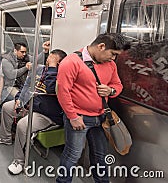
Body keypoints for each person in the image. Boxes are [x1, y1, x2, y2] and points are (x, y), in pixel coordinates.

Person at [56, 33, 130, 183]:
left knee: (100, 155)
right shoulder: (71, 62)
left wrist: (111, 91)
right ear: (101, 46)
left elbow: (118, 85)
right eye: (113, 54)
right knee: (72, 155)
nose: (113, 58)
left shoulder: (111, 65)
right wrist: (73, 117)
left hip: (102, 118)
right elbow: (62, 91)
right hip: (79, 118)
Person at [0, 49, 67, 175]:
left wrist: (53, 68)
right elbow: (26, 86)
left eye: (53, 60)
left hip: (46, 115)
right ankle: (5, 138)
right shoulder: (39, 69)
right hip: (30, 105)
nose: (48, 60)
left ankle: (19, 161)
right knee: (7, 107)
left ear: (60, 64)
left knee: (23, 125)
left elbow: (50, 88)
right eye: (49, 58)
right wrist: (19, 100)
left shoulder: (60, 76)